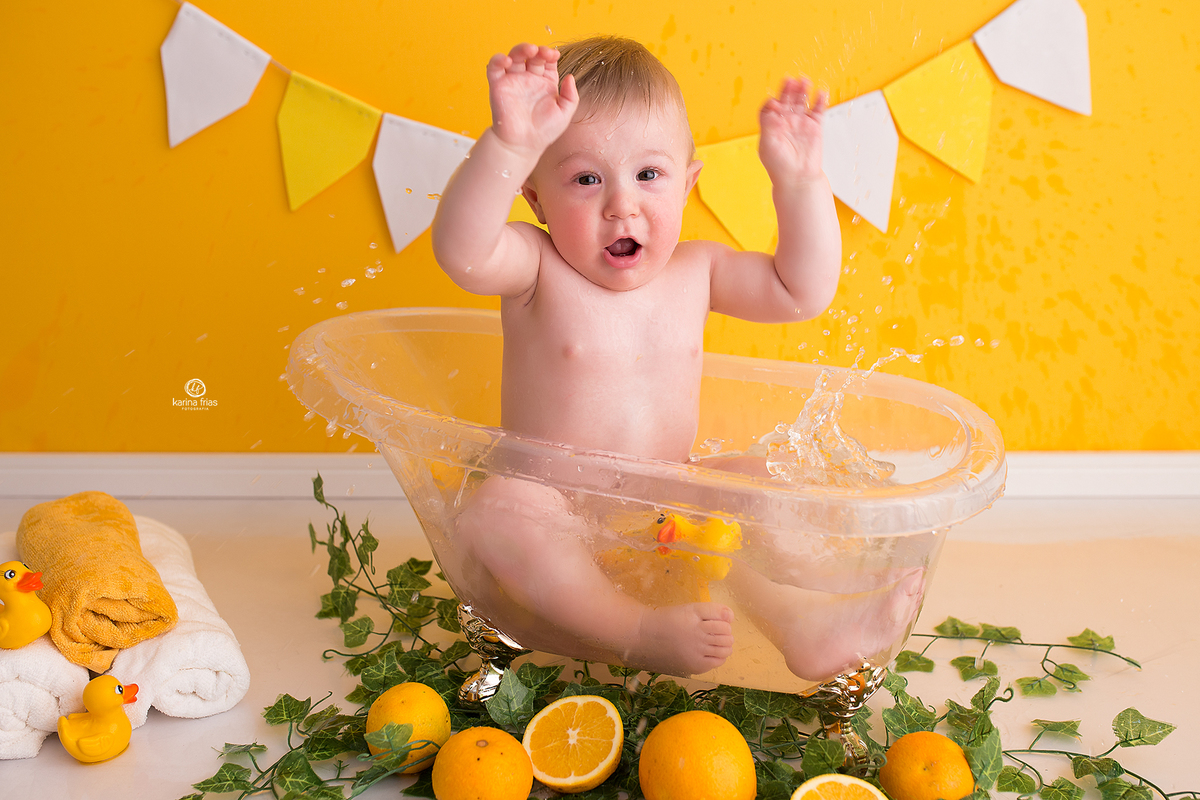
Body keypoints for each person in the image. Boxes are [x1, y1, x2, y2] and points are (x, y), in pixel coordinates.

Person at [430, 36, 912, 680]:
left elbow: (803, 292)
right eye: (585, 178)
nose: (620, 204)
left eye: (648, 175)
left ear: (687, 184)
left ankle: (808, 622)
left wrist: (800, 183)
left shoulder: (698, 270)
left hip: (665, 517)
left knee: (753, 479)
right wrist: (510, 143)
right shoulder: (534, 266)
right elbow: (461, 251)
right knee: (497, 510)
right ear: (536, 198)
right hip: (555, 520)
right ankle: (637, 631)